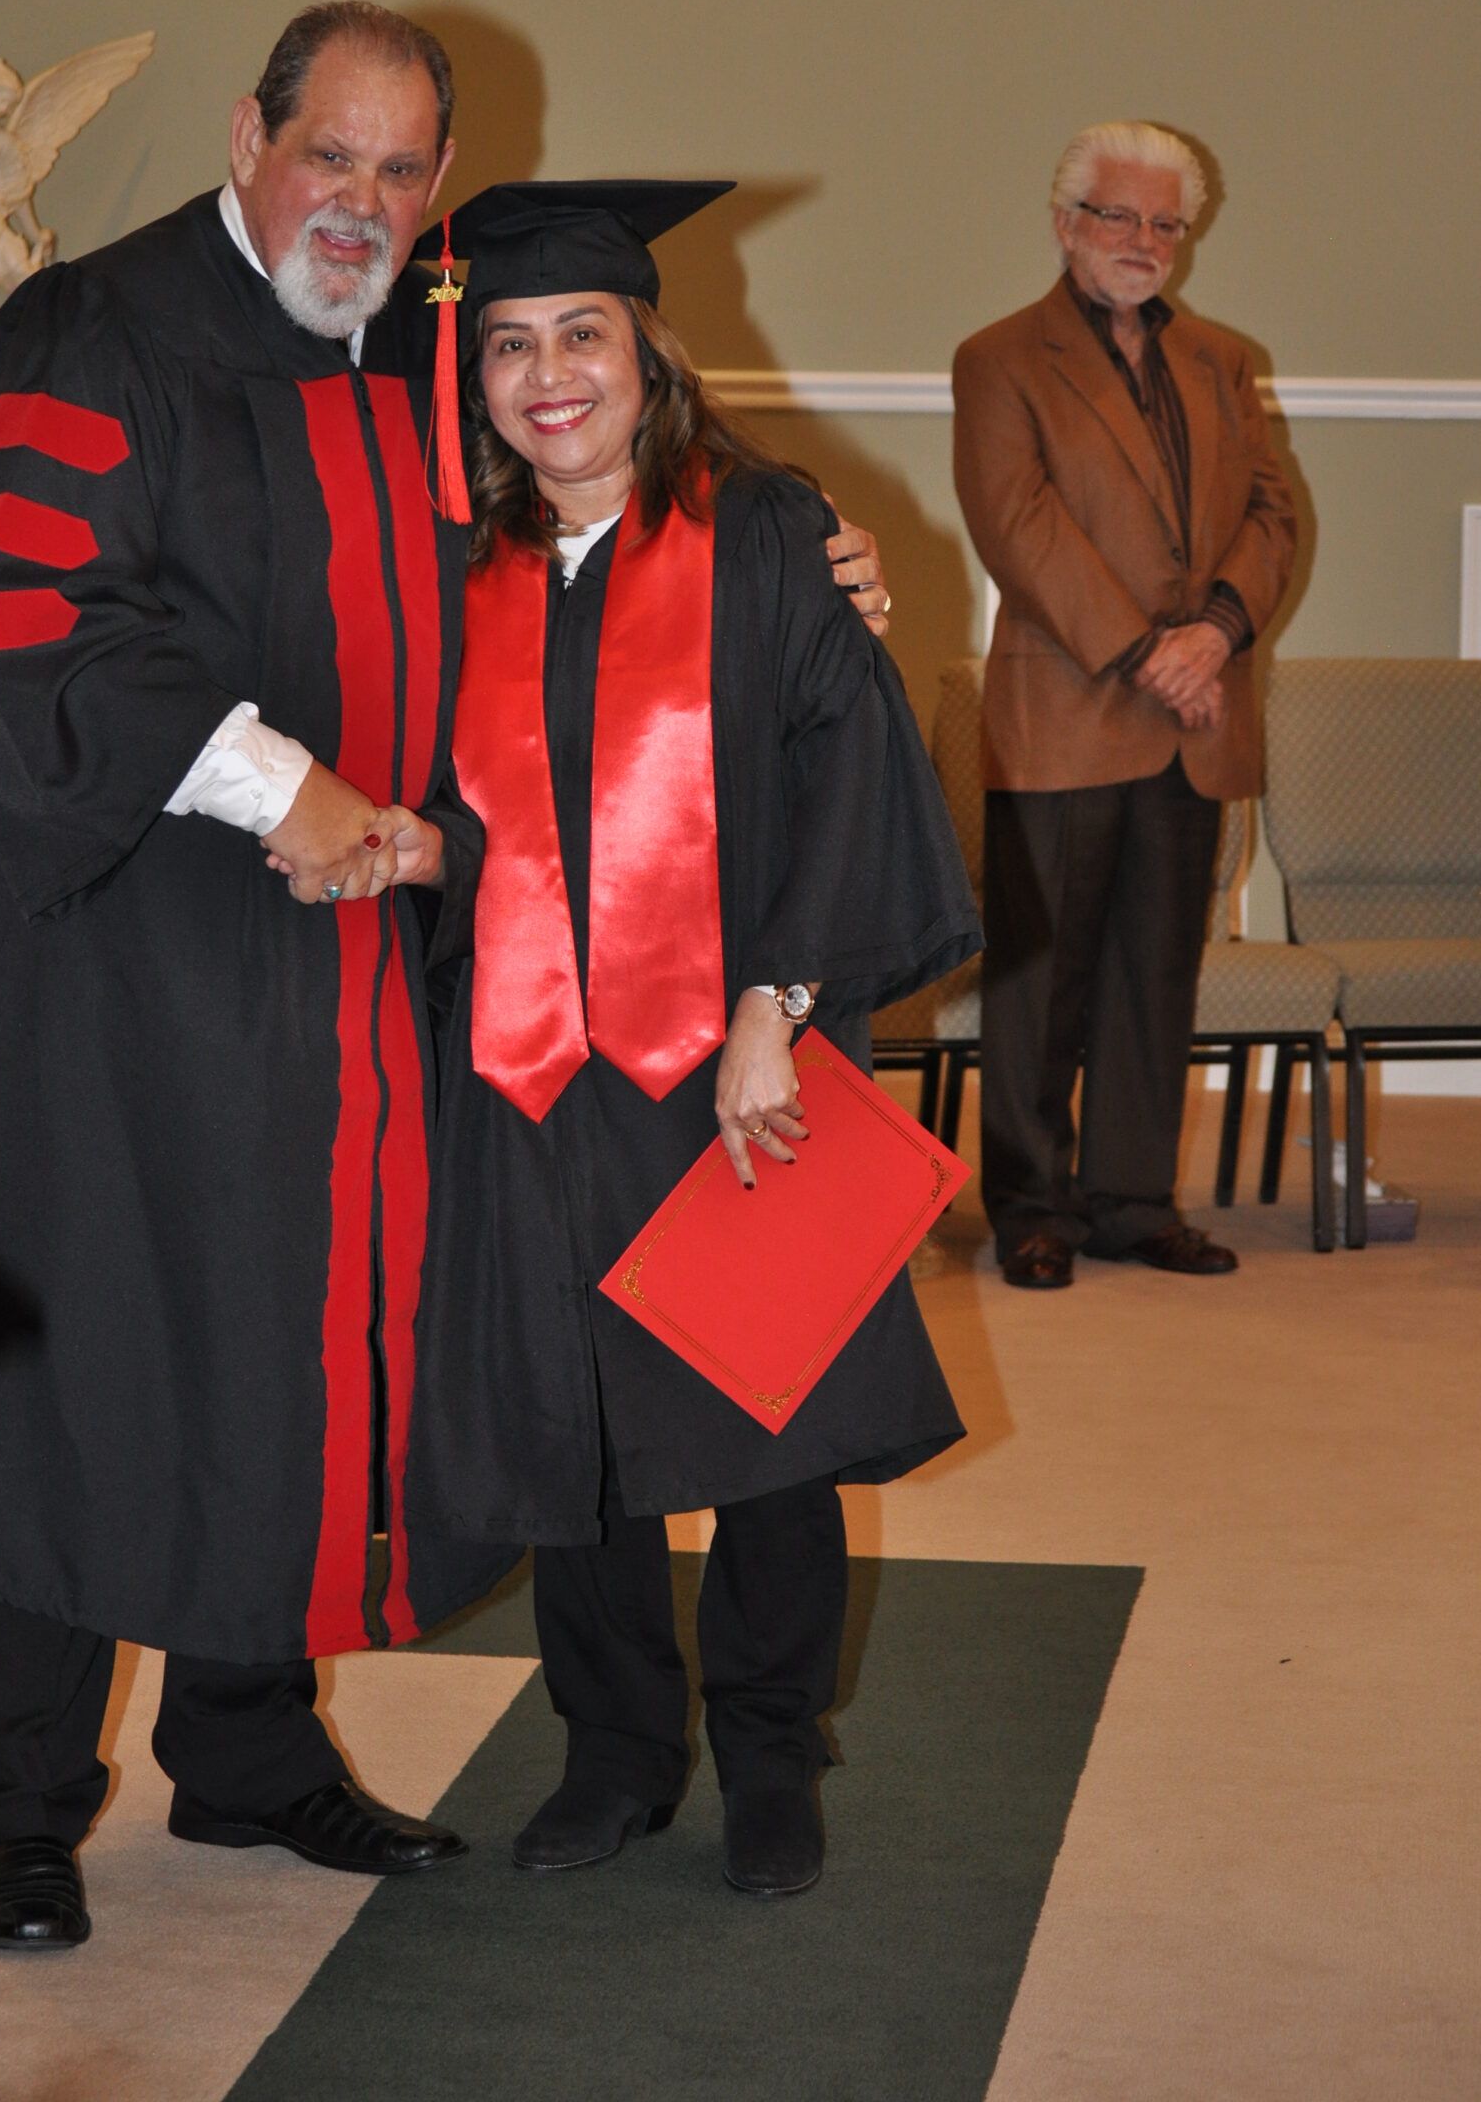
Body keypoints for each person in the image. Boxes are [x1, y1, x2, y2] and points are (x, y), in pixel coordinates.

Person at [0, 8, 896, 1951]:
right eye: (328, 154)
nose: (358, 202)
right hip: (122, 972)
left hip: (374, 972)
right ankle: (12, 1794)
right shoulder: (88, 330)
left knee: (306, 1347)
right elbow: (35, 628)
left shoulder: (425, 355)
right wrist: (283, 780)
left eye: (400, 168)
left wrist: (797, 560)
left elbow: (597, 488)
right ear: (247, 133)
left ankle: (249, 1745)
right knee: (97, 1355)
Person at [380, 182, 981, 1898]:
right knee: (577, 1431)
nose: (545, 374)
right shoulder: (461, 575)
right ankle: (620, 1749)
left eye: (581, 334)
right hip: (524, 1070)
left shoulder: (769, 533)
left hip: (730, 1053)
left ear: (649, 354)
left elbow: (849, 779)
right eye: (506, 345)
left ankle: (773, 1752)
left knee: (763, 1413)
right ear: (474, 380)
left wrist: (776, 1013)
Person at [951, 122, 1297, 1291]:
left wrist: (1215, 634)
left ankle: (1131, 1200)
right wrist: (1146, 648)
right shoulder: (998, 358)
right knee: (1039, 981)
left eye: (1165, 223)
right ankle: (1031, 1205)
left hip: (1192, 717)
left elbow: (1270, 514)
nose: (1143, 242)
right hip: (1063, 711)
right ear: (1064, 224)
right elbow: (1015, 524)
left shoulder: (1218, 360)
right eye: (1119, 217)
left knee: (1156, 975)